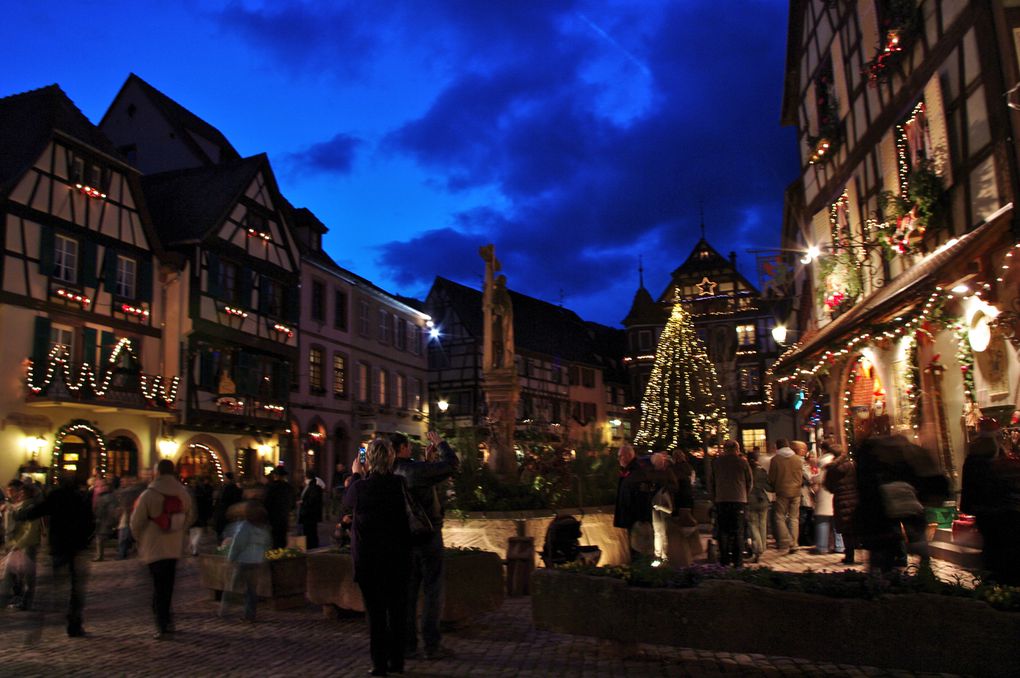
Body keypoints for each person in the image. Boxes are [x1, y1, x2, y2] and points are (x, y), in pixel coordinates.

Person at [343, 438, 412, 676]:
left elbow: (347, 502)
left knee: (376, 614)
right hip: (398, 558)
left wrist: (355, 475)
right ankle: (398, 661)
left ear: (369, 460)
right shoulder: (400, 484)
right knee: (397, 611)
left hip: (370, 560)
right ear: (391, 458)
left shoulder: (361, 487)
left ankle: (379, 664)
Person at [392, 430, 460, 661]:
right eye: (408, 447)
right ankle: (432, 645)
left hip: (402, 539)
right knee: (433, 590)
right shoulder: (414, 470)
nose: (410, 450)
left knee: (409, 594)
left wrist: (426, 462)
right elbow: (452, 464)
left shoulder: (389, 471)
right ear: (401, 448)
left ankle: (408, 645)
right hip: (427, 535)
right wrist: (441, 444)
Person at [17, 475, 94, 637]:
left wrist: (22, 514)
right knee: (76, 589)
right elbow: (90, 521)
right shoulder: (80, 498)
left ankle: (40, 623)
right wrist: (86, 540)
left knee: (55, 583)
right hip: (76, 547)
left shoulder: (56, 496)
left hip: (59, 546)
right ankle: (74, 623)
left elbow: (39, 510)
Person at [130, 459, 196, 639]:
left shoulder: (149, 494)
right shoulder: (183, 493)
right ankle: (167, 620)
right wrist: (178, 530)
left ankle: (162, 624)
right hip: (174, 547)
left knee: (158, 586)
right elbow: (190, 517)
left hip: (153, 547)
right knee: (168, 585)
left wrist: (141, 539)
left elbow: (136, 522)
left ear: (157, 472)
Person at [961, 419, 1020, 585]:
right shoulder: (1000, 459)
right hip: (1006, 511)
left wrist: (969, 507)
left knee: (992, 546)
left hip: (986, 512)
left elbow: (969, 487)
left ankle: (995, 583)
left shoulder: (972, 459)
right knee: (1007, 548)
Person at [220, 501, 271, 622]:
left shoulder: (245, 526)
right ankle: (250, 615)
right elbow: (267, 544)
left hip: (243, 561)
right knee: (251, 591)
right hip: (256, 562)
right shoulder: (264, 528)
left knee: (233, 587)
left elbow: (238, 544)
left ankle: (224, 610)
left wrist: (231, 558)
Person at [710, 440, 752, 567]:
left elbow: (712, 482)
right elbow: (749, 481)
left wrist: (715, 497)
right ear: (737, 449)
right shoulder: (742, 463)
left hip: (722, 500)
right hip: (739, 500)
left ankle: (724, 560)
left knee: (723, 531)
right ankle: (738, 561)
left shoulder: (717, 463)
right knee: (738, 531)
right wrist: (745, 495)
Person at [1, 480, 41, 609]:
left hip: (26, 545)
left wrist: (19, 543)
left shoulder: (30, 508)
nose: (20, 494)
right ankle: (18, 599)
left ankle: (25, 601)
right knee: (15, 572)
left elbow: (31, 529)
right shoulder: (21, 506)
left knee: (27, 574)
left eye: (23, 492)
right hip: (18, 544)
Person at [613, 443, 656, 561]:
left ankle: (643, 575)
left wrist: (640, 518)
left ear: (627, 455)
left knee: (640, 551)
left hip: (637, 521)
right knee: (636, 550)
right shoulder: (630, 472)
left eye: (620, 456)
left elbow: (642, 497)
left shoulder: (637, 473)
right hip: (633, 520)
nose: (618, 459)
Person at [768, 438, 806, 553]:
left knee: (779, 516)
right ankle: (794, 543)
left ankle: (785, 540)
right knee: (794, 518)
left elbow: (772, 478)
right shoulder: (797, 459)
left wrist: (773, 486)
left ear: (778, 447)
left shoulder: (775, 460)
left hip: (782, 491)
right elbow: (801, 475)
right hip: (796, 491)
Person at [824, 445, 860, 564]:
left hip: (841, 499)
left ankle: (849, 555)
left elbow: (828, 486)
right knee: (855, 525)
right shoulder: (852, 465)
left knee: (845, 529)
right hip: (855, 497)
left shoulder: (832, 469)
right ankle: (859, 551)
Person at [746, 450, 772, 563]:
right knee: (762, 524)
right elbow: (769, 487)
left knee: (753, 525)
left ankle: (758, 548)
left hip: (750, 500)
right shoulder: (762, 471)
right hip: (762, 500)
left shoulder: (747, 471)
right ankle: (762, 547)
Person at [810, 447, 837, 554]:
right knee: (837, 524)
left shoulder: (824, 471)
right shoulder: (840, 468)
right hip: (835, 498)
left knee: (822, 522)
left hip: (824, 498)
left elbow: (816, 479)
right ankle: (840, 546)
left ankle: (822, 546)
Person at [263, 466, 295, 549]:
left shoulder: (270, 487)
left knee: (273, 541)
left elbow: (266, 503)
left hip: (272, 518)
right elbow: (292, 504)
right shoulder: (288, 487)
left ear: (275, 475)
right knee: (282, 540)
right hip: (284, 518)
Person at [93, 477, 119, 561]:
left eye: (100, 486)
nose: (98, 488)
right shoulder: (103, 496)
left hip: (104, 520)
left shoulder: (107, 497)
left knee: (100, 538)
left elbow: (108, 510)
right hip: (104, 520)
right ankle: (100, 555)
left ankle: (99, 556)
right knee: (100, 538)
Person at [213, 472, 243, 542]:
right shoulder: (231, 487)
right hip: (229, 510)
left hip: (226, 510)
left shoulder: (228, 488)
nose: (224, 479)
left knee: (223, 528)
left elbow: (224, 499)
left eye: (224, 478)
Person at [298, 469, 324, 550]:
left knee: (311, 532)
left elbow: (312, 501)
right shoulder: (309, 486)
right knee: (309, 531)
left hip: (310, 514)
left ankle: (312, 547)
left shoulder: (314, 487)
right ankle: (310, 546)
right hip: (307, 514)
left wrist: (302, 503)